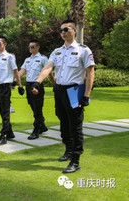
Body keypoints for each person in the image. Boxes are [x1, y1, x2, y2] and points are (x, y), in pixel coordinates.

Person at [31, 20, 95, 173]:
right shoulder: (57, 51)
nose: (63, 32)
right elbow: (48, 67)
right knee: (63, 122)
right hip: (59, 91)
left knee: (75, 126)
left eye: (65, 29)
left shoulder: (83, 50)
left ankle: (75, 160)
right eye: (61, 30)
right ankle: (68, 150)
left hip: (74, 91)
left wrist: (86, 95)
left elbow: (90, 73)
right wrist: (37, 82)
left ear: (74, 30)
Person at [18, 39, 55, 140]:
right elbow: (22, 71)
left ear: (38, 47)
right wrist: (16, 80)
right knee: (32, 106)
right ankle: (42, 125)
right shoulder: (27, 60)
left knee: (38, 108)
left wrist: (54, 84)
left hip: (37, 84)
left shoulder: (43, 59)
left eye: (32, 47)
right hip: (29, 85)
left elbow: (49, 71)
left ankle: (36, 129)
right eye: (29, 47)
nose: (30, 49)